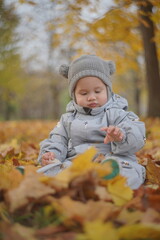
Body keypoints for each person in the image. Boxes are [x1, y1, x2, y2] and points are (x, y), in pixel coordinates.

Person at [38, 55, 146, 189]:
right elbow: (57, 139)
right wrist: (51, 154)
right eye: (83, 93)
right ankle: (39, 179)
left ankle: (109, 178)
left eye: (97, 91)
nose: (91, 97)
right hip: (76, 163)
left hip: (111, 159)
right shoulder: (67, 119)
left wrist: (121, 136)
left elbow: (136, 134)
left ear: (108, 90)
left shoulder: (117, 113)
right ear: (74, 96)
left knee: (126, 171)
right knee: (52, 169)